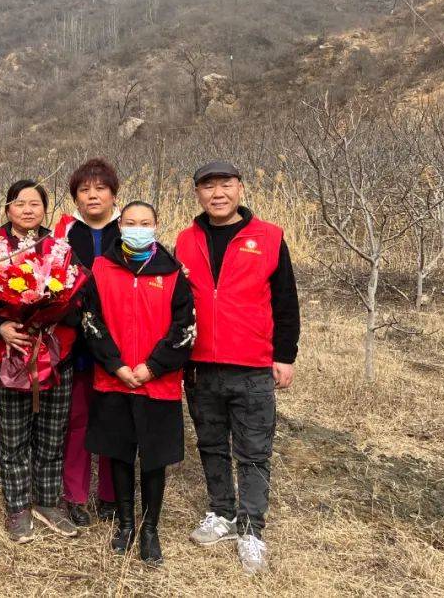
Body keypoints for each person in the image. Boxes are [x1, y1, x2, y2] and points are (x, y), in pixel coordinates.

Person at [174, 161, 300, 575]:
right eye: (208, 186)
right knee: (210, 444)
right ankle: (222, 512)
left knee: (253, 451)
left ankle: (251, 528)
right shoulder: (185, 240)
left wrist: (285, 355)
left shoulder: (269, 237)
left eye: (225, 184)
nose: (217, 194)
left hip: (251, 364)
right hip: (200, 365)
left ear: (240, 189)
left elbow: (285, 301)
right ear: (197, 194)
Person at [82, 201, 195, 565]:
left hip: (156, 382)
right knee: (118, 453)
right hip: (114, 379)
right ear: (120, 226)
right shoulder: (102, 268)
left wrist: (153, 367)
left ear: (156, 226)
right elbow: (90, 320)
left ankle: (150, 530)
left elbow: (185, 328)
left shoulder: (173, 272)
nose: (138, 228)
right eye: (130, 222)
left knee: (153, 458)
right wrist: (115, 365)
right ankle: (126, 525)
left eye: (145, 223)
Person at [0, 180, 78, 543]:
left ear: (44, 209)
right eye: (19, 203)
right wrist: (0, 326)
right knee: (13, 436)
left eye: (35, 203)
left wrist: (52, 317)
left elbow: (78, 298)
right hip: (8, 356)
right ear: (7, 209)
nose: (27, 209)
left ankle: (49, 502)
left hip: (55, 356)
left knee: (53, 434)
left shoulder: (61, 249)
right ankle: (18, 506)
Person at [60, 158, 121, 527]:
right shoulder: (65, 235)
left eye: (100, 188)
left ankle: (112, 496)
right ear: (75, 198)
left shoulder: (129, 231)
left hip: (120, 343)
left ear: (114, 194)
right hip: (78, 343)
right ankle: (75, 496)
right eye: (84, 190)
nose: (93, 195)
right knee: (78, 419)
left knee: (113, 417)